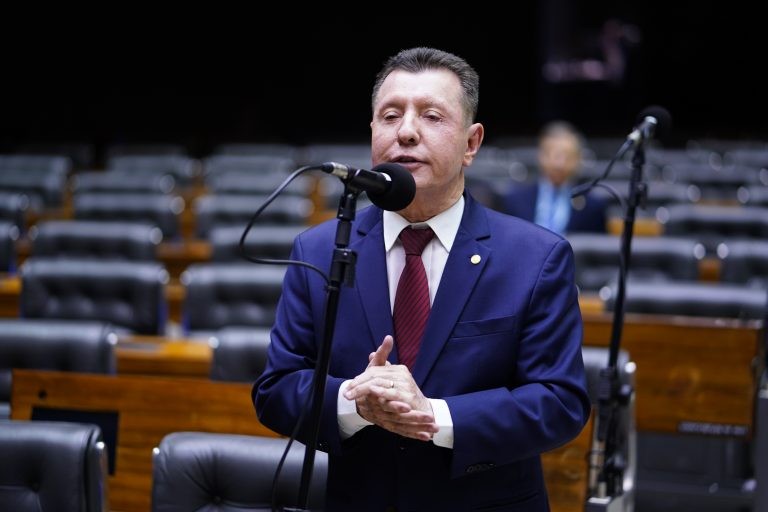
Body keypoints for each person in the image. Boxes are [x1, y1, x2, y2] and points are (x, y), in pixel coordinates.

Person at [253, 47, 590, 511]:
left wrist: (434, 415)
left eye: (431, 116)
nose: (406, 132)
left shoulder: (536, 257)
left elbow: (559, 402)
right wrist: (353, 401)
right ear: (372, 132)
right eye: (390, 116)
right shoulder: (319, 250)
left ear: (471, 143)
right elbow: (276, 390)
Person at [504, 120, 608, 235]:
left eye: (568, 156)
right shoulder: (515, 200)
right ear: (540, 155)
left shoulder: (593, 206)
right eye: (553, 155)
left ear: (578, 159)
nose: (559, 164)